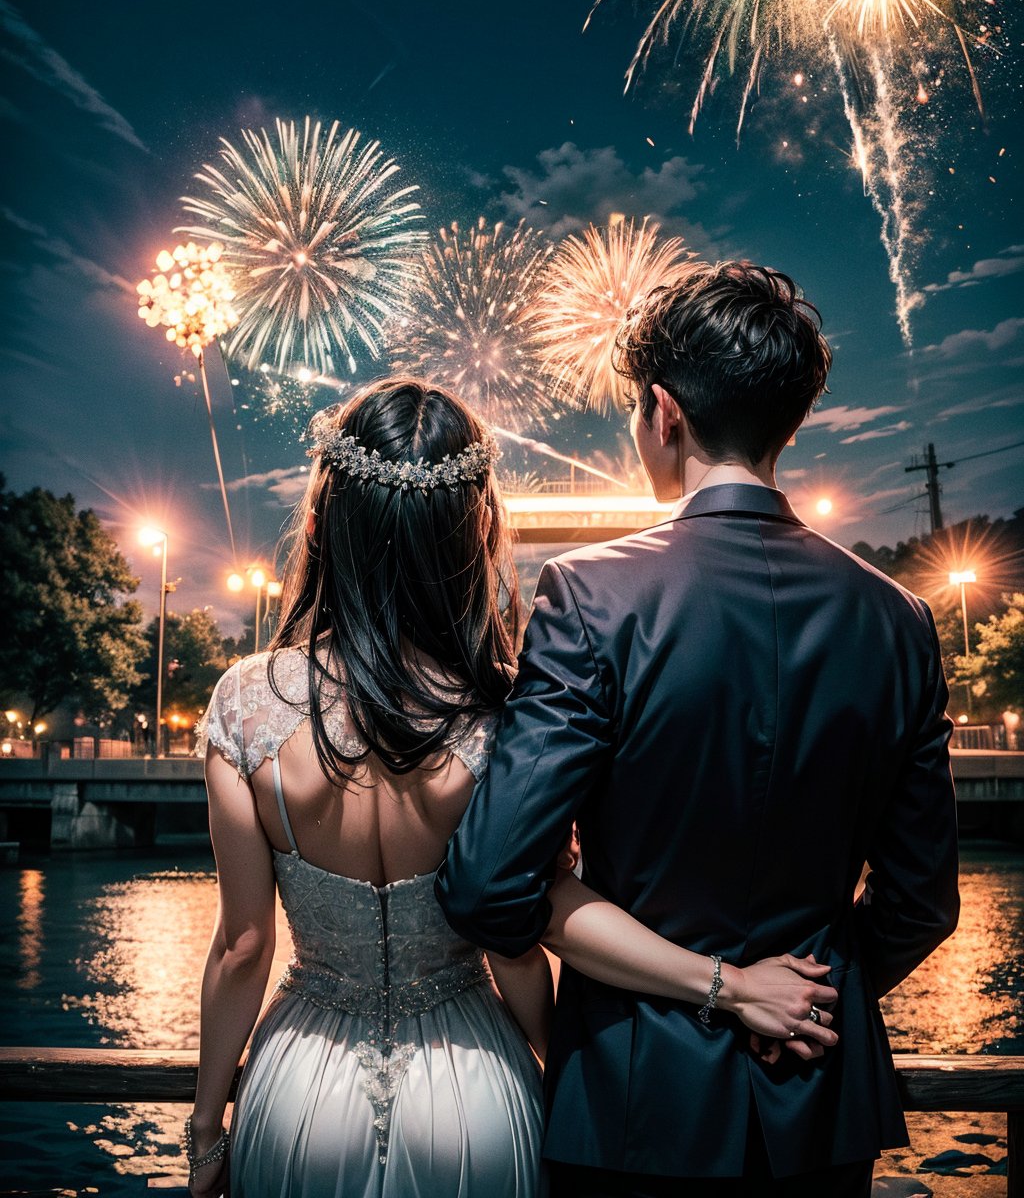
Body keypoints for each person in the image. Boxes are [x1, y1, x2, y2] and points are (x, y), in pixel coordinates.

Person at [186, 377, 838, 1198]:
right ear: (476, 535)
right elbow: (515, 941)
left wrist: (209, 1131)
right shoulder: (506, 704)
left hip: (299, 1088)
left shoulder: (247, 704)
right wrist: (556, 1063)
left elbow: (243, 949)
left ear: (322, 529)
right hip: (471, 1089)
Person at [438, 263, 960, 1197]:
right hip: (817, 1107)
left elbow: (486, 886)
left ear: (662, 412)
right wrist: (802, 1005)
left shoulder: (590, 595)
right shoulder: (901, 619)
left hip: (632, 1104)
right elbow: (923, 903)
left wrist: (720, 991)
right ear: (789, 421)